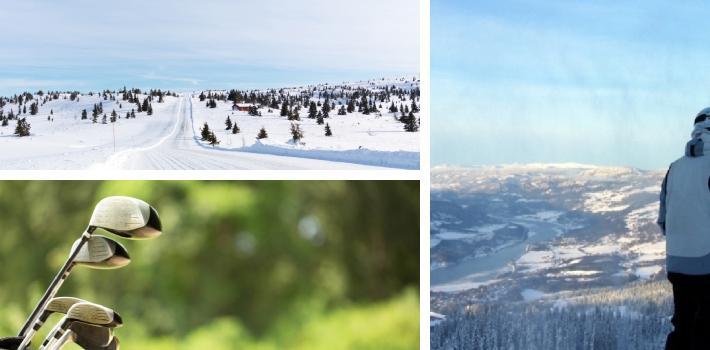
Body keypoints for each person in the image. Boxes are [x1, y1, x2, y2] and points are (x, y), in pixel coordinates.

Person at [659, 107, 710, 350]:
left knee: (683, 327)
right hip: (707, 263)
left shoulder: (674, 168)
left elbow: (664, 221)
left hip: (678, 263)